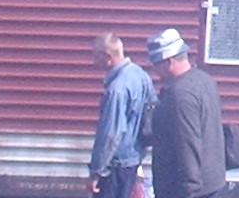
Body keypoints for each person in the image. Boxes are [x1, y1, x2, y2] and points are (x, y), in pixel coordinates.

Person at [145, 28, 226, 198]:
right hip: (212, 183)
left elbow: (187, 144)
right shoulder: (205, 80)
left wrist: (189, 190)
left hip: (187, 191)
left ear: (168, 63)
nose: (154, 71)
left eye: (156, 65)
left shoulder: (179, 94)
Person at [88, 33, 156, 198]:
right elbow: (152, 112)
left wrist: (96, 172)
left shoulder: (116, 89)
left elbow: (111, 134)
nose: (94, 62)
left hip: (115, 166)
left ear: (108, 57)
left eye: (96, 57)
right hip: (134, 159)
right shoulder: (141, 75)